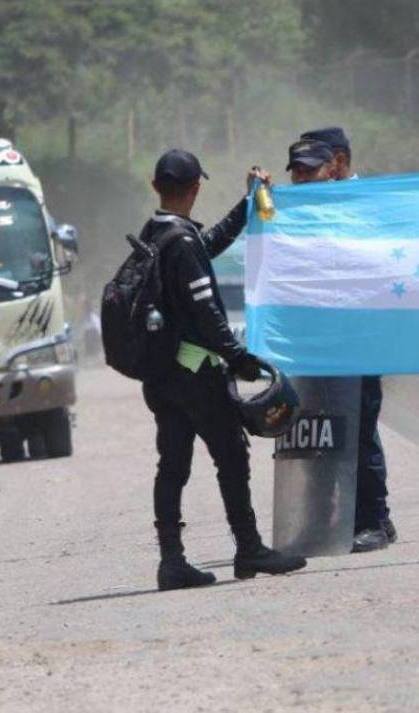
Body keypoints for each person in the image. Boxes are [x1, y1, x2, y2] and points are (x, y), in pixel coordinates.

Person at [139, 149, 306, 589]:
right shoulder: (182, 242)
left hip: (162, 375)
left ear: (156, 187)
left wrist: (247, 203)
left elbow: (208, 244)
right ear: (196, 188)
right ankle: (249, 548)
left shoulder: (156, 234)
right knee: (232, 457)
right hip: (197, 375)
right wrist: (239, 359)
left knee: (172, 466)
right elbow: (207, 313)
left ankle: (171, 561)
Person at [301, 126, 398, 553]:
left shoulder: (367, 204)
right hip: (319, 340)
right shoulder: (309, 207)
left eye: (315, 165)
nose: (304, 178)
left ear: (338, 162)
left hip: (359, 337)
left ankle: (373, 520)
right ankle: (326, 521)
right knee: (319, 430)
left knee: (359, 430)